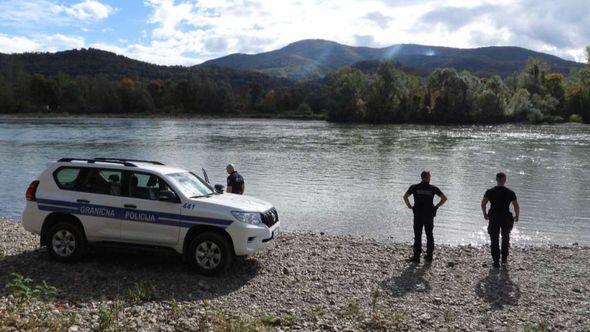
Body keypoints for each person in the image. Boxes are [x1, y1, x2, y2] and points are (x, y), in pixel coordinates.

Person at [403, 171, 447, 263]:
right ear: (428, 178)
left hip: (418, 214)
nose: (430, 178)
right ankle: (429, 256)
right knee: (429, 235)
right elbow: (444, 198)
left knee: (418, 235)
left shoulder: (414, 187)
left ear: (421, 177)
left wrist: (409, 206)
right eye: (430, 176)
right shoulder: (433, 188)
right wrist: (437, 206)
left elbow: (405, 197)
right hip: (429, 215)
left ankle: (416, 257)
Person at [481, 172, 519, 268]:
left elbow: (483, 204)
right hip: (506, 217)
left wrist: (485, 214)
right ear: (504, 180)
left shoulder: (490, 191)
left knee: (494, 238)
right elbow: (516, 206)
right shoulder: (510, 192)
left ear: (496, 179)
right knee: (505, 237)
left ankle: (496, 261)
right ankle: (504, 258)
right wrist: (517, 216)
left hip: (494, 217)